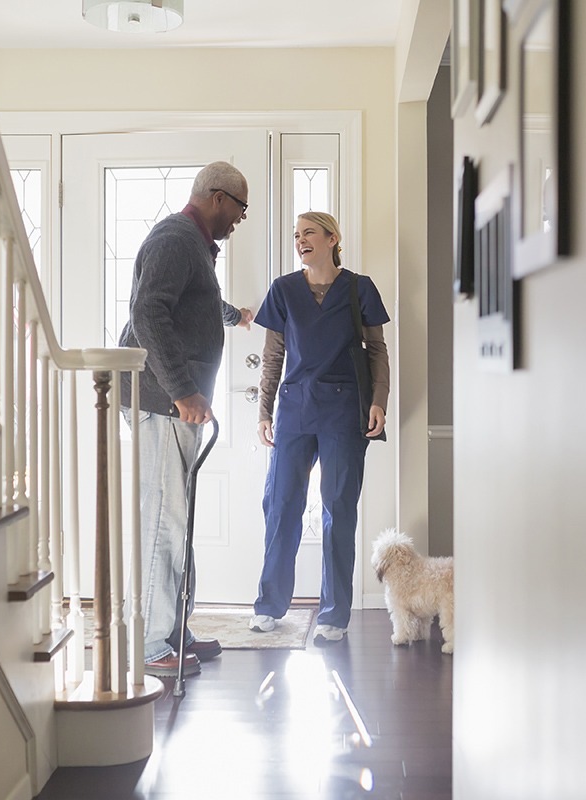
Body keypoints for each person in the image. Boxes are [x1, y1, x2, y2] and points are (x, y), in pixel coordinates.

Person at [118, 161, 254, 677]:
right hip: (162, 401)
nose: (241, 219)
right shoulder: (176, 239)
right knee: (164, 521)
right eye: (240, 208)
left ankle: (175, 628)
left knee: (180, 519)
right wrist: (183, 392)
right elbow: (148, 313)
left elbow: (193, 304)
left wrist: (234, 315)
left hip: (171, 401)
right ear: (218, 198)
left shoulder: (192, 247)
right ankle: (154, 645)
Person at [248, 211, 390, 642]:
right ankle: (270, 605)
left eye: (308, 232)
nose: (300, 240)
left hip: (345, 412)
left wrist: (379, 402)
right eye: (296, 235)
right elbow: (273, 356)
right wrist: (264, 411)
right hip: (294, 410)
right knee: (281, 506)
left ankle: (334, 615)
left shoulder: (358, 287)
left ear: (333, 239)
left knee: (338, 508)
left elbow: (377, 351)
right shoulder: (283, 290)